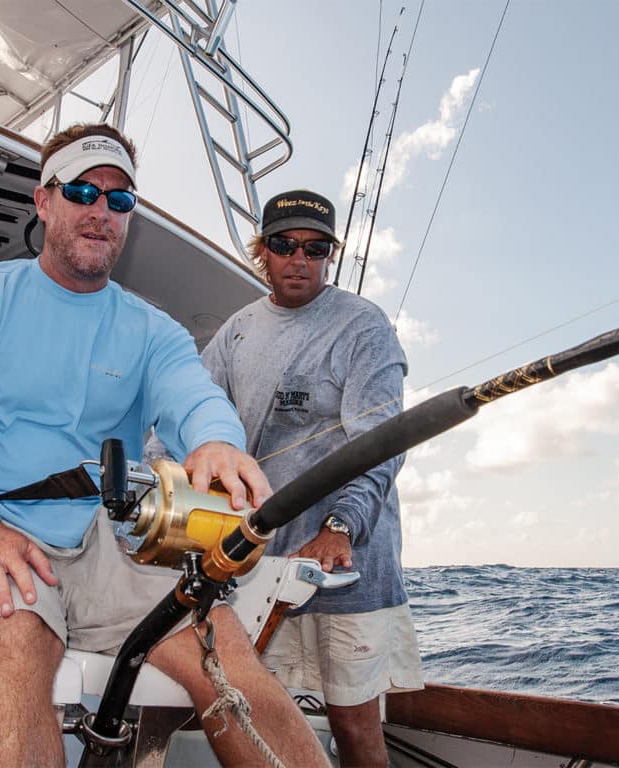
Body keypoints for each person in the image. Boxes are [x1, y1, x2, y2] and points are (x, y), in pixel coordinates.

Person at [0, 125, 328, 768]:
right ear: (44, 201)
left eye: (119, 200)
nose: (101, 211)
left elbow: (194, 398)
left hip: (114, 549)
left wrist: (219, 443)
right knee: (16, 638)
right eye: (84, 190)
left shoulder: (153, 331)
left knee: (224, 651)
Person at [202, 189, 423, 767]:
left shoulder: (364, 328)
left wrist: (338, 527)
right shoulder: (236, 333)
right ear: (263, 252)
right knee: (254, 718)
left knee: (354, 729)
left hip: (346, 571)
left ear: (329, 255)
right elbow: (195, 422)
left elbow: (382, 444)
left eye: (316, 247)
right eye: (284, 244)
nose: (299, 259)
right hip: (259, 570)